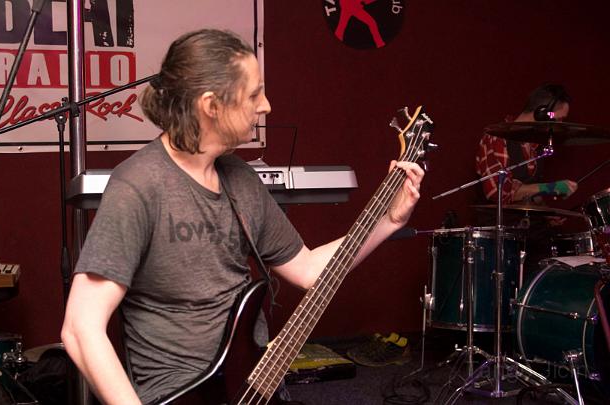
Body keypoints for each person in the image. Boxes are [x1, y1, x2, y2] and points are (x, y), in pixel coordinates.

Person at [61, 29, 424, 405]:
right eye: (254, 94)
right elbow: (80, 329)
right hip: (182, 394)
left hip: (250, 388)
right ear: (211, 105)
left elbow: (310, 270)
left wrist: (389, 221)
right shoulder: (138, 186)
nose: (266, 105)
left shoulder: (240, 178)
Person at [474, 83, 579, 274]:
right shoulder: (497, 138)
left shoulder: (535, 145)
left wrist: (546, 213)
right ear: (542, 112)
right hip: (503, 239)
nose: (560, 126)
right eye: (558, 119)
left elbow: (528, 191)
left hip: (532, 237)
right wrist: (550, 187)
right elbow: (500, 193)